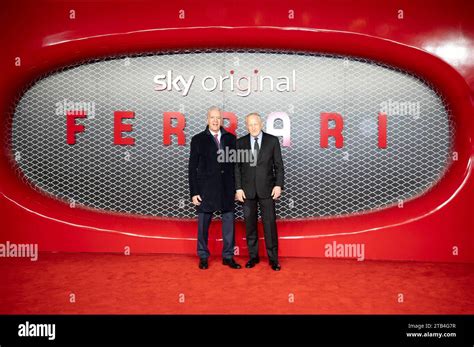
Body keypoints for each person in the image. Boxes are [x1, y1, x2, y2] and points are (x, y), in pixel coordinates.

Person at [188, 106, 241, 270]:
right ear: (207, 119)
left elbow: (236, 165)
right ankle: (203, 256)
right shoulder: (197, 139)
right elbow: (192, 167)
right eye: (212, 117)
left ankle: (228, 256)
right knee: (203, 226)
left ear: (221, 120)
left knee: (229, 226)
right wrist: (194, 192)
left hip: (226, 188)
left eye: (218, 118)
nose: (215, 120)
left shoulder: (231, 139)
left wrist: (236, 188)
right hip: (205, 190)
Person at [235, 113, 284, 271]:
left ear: (261, 123)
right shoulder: (240, 142)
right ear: (246, 125)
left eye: (255, 123)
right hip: (247, 192)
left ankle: (273, 259)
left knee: (269, 226)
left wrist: (278, 185)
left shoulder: (272, 141)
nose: (253, 127)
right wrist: (238, 188)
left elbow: (279, 165)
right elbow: (236, 167)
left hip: (267, 191)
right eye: (250, 124)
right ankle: (253, 257)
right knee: (250, 226)